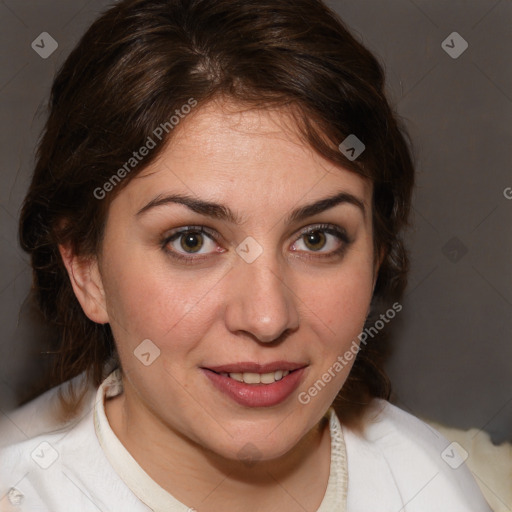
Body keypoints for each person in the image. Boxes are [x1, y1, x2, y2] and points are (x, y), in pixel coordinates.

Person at [0, 0, 493, 510]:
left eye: (318, 238)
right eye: (191, 240)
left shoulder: (428, 485)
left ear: (376, 256)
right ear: (86, 269)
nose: (266, 317)